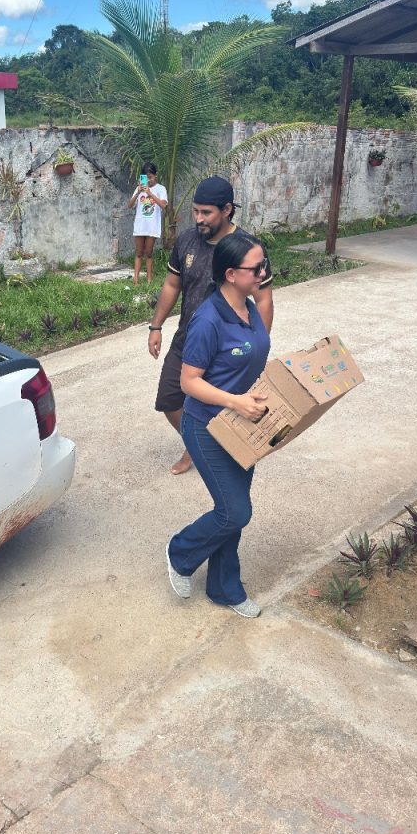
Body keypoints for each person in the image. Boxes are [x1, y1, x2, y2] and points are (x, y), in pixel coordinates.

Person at [165, 231, 271, 618]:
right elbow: (188, 382)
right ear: (230, 273)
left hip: (244, 425)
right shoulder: (207, 320)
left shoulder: (249, 308)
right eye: (255, 267)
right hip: (208, 427)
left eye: (264, 264)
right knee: (234, 512)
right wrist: (234, 401)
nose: (263, 272)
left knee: (232, 509)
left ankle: (225, 588)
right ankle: (180, 553)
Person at [147, 175, 274, 474]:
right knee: (169, 398)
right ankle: (199, 445)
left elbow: (264, 299)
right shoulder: (187, 240)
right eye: (196, 211)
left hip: (229, 345)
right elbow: (171, 284)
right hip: (189, 339)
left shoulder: (245, 250)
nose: (199, 219)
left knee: (224, 403)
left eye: (207, 213)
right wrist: (156, 326)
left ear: (227, 209)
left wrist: (258, 344)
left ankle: (217, 448)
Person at [127, 161, 167, 285]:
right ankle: (136, 280)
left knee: (149, 253)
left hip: (152, 226)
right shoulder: (139, 189)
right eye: (145, 178)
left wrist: (150, 193)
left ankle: (149, 279)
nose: (148, 180)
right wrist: (138, 192)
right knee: (139, 252)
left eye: (150, 177)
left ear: (156, 175)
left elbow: (163, 205)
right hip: (140, 225)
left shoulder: (161, 189)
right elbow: (130, 205)